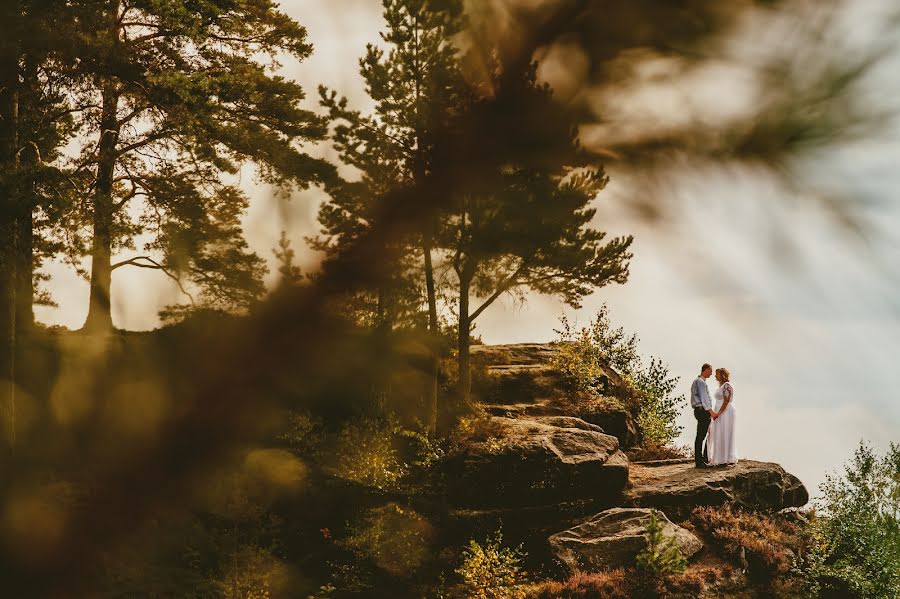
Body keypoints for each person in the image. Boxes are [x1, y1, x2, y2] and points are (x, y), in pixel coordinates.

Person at [707, 367, 737, 466]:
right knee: (719, 433)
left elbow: (726, 400)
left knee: (725, 432)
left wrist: (718, 413)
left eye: (717, 374)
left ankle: (726, 458)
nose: (715, 376)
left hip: (726, 412)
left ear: (722, 375)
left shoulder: (726, 385)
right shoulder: (721, 386)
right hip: (721, 411)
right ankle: (721, 457)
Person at [690, 363, 715, 468]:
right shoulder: (700, 382)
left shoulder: (697, 381)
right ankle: (700, 461)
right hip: (702, 411)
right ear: (705, 370)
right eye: (710, 371)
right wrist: (711, 412)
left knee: (700, 435)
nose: (711, 373)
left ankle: (701, 459)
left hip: (699, 410)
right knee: (701, 436)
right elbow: (704, 399)